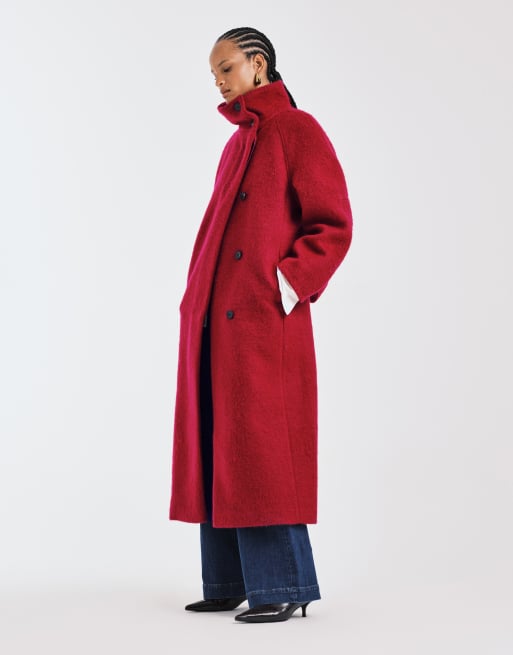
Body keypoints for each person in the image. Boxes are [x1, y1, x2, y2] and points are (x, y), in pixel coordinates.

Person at [168, 27, 353, 623]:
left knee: (262, 450)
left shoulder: (296, 129)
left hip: (261, 323)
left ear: (258, 63)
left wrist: (284, 285)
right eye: (213, 74)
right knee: (217, 444)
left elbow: (333, 223)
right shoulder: (237, 144)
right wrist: (196, 302)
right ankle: (229, 580)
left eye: (226, 69)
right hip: (212, 323)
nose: (219, 83)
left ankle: (283, 585)